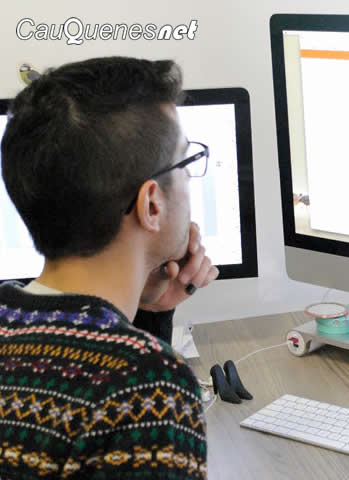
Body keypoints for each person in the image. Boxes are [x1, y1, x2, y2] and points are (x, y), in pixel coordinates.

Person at [0, 57, 219, 479]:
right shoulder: (147, 384)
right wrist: (147, 356)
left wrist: (147, 314)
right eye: (186, 164)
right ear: (151, 204)